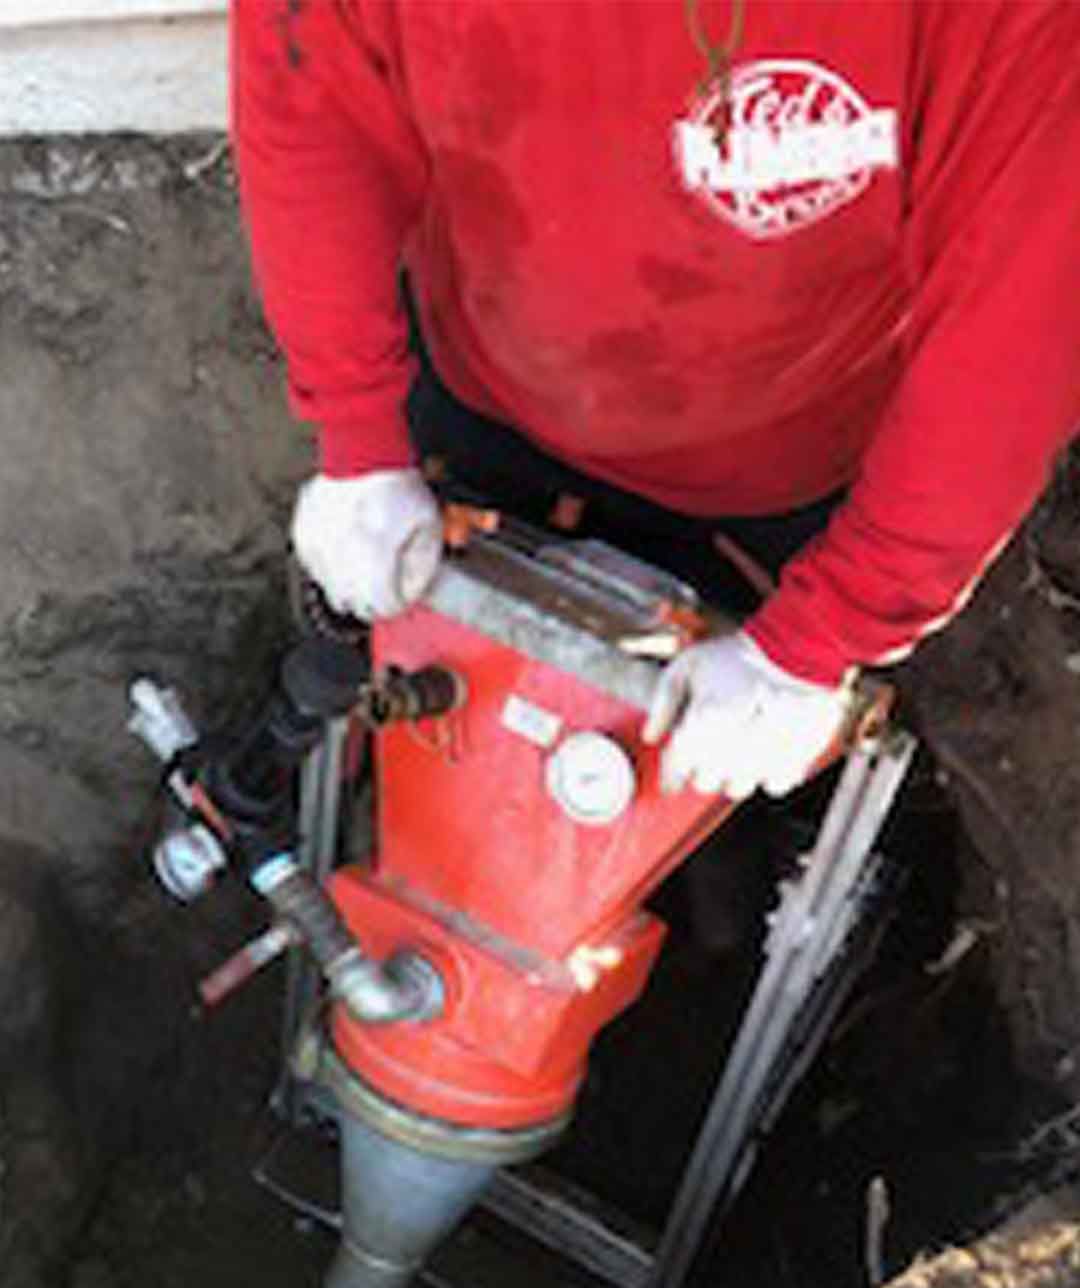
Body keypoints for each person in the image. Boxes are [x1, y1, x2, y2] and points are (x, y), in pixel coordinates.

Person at [230, 0, 1080, 803]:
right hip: (481, 386)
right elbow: (312, 92)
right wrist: (358, 434)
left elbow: (1015, 319)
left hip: (776, 476)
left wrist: (822, 636)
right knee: (439, 747)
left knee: (711, 835)